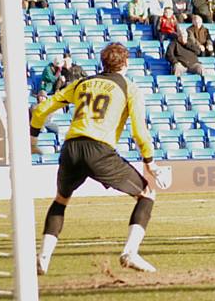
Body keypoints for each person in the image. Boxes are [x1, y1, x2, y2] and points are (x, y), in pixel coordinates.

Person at [31, 43, 168, 275]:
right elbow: (139, 131)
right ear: (126, 63)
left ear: (102, 63)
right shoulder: (129, 88)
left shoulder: (82, 83)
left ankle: (43, 258)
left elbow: (41, 109)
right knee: (147, 194)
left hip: (71, 147)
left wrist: (33, 139)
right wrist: (150, 163)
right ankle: (130, 253)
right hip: (99, 149)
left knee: (61, 200)